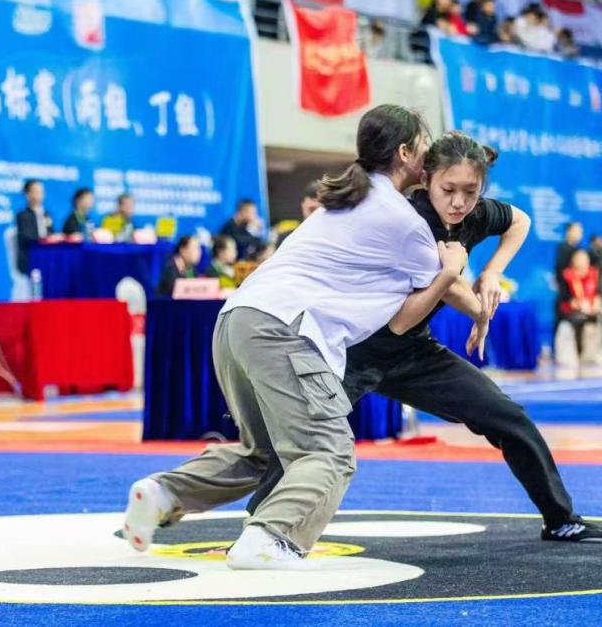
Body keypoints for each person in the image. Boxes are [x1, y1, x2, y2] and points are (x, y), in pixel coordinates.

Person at [122, 104, 469, 569]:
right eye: (424, 148)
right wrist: (455, 274)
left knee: (264, 453)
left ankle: (164, 494)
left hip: (236, 320)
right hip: (284, 331)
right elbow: (410, 317)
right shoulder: (404, 221)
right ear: (405, 153)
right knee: (329, 452)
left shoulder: (343, 199)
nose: (429, 158)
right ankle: (271, 537)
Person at [324, 132, 602, 543]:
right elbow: (448, 286)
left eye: (470, 191)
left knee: (509, 419)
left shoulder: (474, 215)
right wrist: (480, 310)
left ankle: (560, 519)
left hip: (411, 350)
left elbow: (520, 222)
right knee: (304, 442)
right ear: (426, 179)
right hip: (354, 348)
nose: (459, 202)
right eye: (449, 190)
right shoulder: (410, 220)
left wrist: (492, 272)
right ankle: (264, 527)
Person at [560, 249, 602, 358]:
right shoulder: (567, 275)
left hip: (590, 307)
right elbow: (564, 298)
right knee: (579, 319)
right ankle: (579, 351)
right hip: (572, 309)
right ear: (573, 260)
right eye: (579, 259)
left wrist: (596, 302)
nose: (582, 261)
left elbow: (598, 293)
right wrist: (578, 304)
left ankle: (601, 350)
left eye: (585, 259)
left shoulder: (594, 274)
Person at [15, 179, 53, 275]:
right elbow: (26, 237)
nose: (40, 195)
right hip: (30, 257)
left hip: (46, 256)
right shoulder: (22, 215)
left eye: (41, 192)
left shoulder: (46, 214)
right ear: (27, 194)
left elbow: (51, 233)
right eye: (36, 191)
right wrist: (43, 239)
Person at [275, 182, 321, 249]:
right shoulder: (286, 239)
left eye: (320, 210)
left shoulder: (333, 239)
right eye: (312, 209)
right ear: (303, 205)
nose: (315, 214)